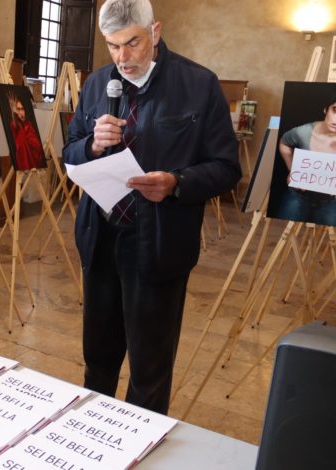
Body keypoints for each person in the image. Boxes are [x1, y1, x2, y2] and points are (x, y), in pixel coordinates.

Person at [63, 0, 241, 414]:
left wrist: (177, 183)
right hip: (101, 240)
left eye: (132, 44)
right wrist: (90, 145)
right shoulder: (96, 85)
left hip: (158, 243)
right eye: (112, 47)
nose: (122, 59)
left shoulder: (198, 84)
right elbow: (69, 151)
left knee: (150, 371)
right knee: (98, 362)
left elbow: (226, 168)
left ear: (155, 32)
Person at [276, 97, 336, 228]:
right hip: (298, 195)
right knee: (282, 230)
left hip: (333, 200)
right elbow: (284, 143)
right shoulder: (303, 131)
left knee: (329, 240)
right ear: (326, 109)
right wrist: (292, 170)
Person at [8, 91, 46, 170]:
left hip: (34, 166)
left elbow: (37, 146)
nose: (21, 112)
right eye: (18, 109)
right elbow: (14, 125)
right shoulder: (15, 125)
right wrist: (14, 113)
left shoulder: (28, 125)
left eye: (22, 109)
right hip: (24, 166)